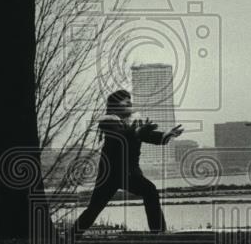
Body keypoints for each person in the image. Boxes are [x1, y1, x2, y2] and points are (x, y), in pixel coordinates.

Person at [74, 90, 184, 233]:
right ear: (114, 106)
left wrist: (166, 135)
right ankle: (70, 237)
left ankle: (159, 233)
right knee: (93, 210)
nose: (129, 102)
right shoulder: (107, 121)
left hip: (129, 173)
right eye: (124, 101)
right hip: (110, 174)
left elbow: (149, 136)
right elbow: (120, 135)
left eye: (129, 100)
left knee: (150, 191)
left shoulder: (135, 123)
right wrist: (138, 132)